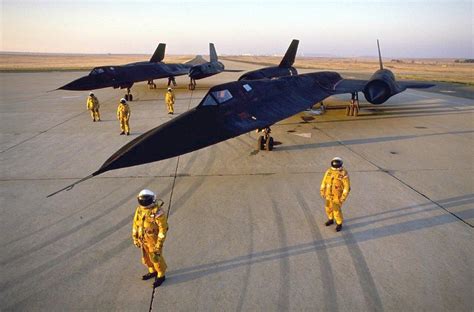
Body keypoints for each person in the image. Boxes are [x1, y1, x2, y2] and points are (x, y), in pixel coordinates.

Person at [132, 189, 169, 288]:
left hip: (153, 240)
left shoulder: (158, 213)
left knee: (156, 259)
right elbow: (135, 224)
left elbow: (163, 229)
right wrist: (135, 238)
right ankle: (152, 271)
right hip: (143, 240)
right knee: (146, 258)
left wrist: (159, 244)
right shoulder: (139, 210)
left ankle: (161, 275)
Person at [320, 157, 351, 232]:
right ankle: (330, 219)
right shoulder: (328, 171)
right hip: (328, 194)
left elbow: (347, 187)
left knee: (336, 210)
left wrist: (343, 197)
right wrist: (322, 190)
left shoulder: (343, 173)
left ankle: (339, 223)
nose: (336, 168)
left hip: (337, 196)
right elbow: (324, 181)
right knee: (328, 208)